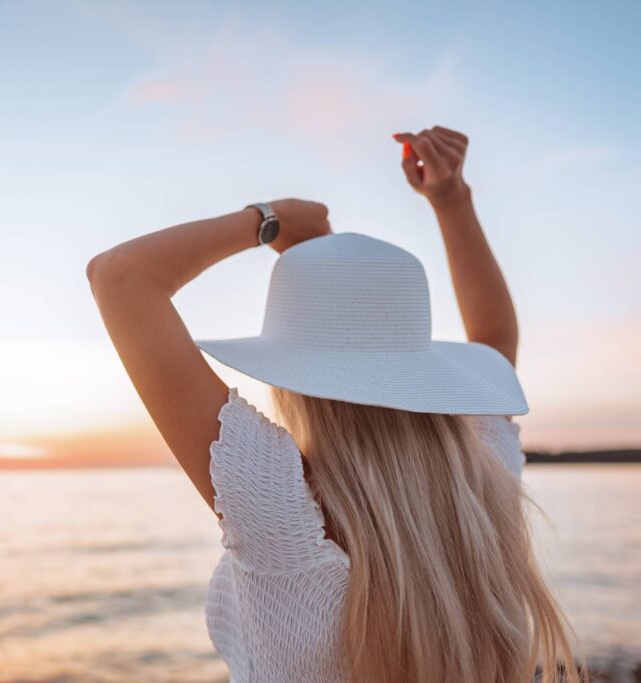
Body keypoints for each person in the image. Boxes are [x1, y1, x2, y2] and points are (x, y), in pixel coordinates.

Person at [86, 126, 584, 683]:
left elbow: (121, 277)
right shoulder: (480, 478)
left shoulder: (285, 517)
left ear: (291, 378)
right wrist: (451, 200)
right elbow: (494, 342)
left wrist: (268, 219)